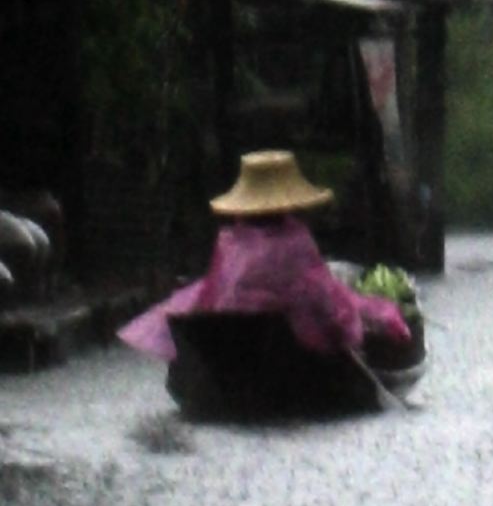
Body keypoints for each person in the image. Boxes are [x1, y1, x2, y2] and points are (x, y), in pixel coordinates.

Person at [118, 150, 410, 361]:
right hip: (292, 346)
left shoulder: (229, 244)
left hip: (236, 344)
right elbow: (326, 303)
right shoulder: (295, 243)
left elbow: (214, 297)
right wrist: (352, 334)